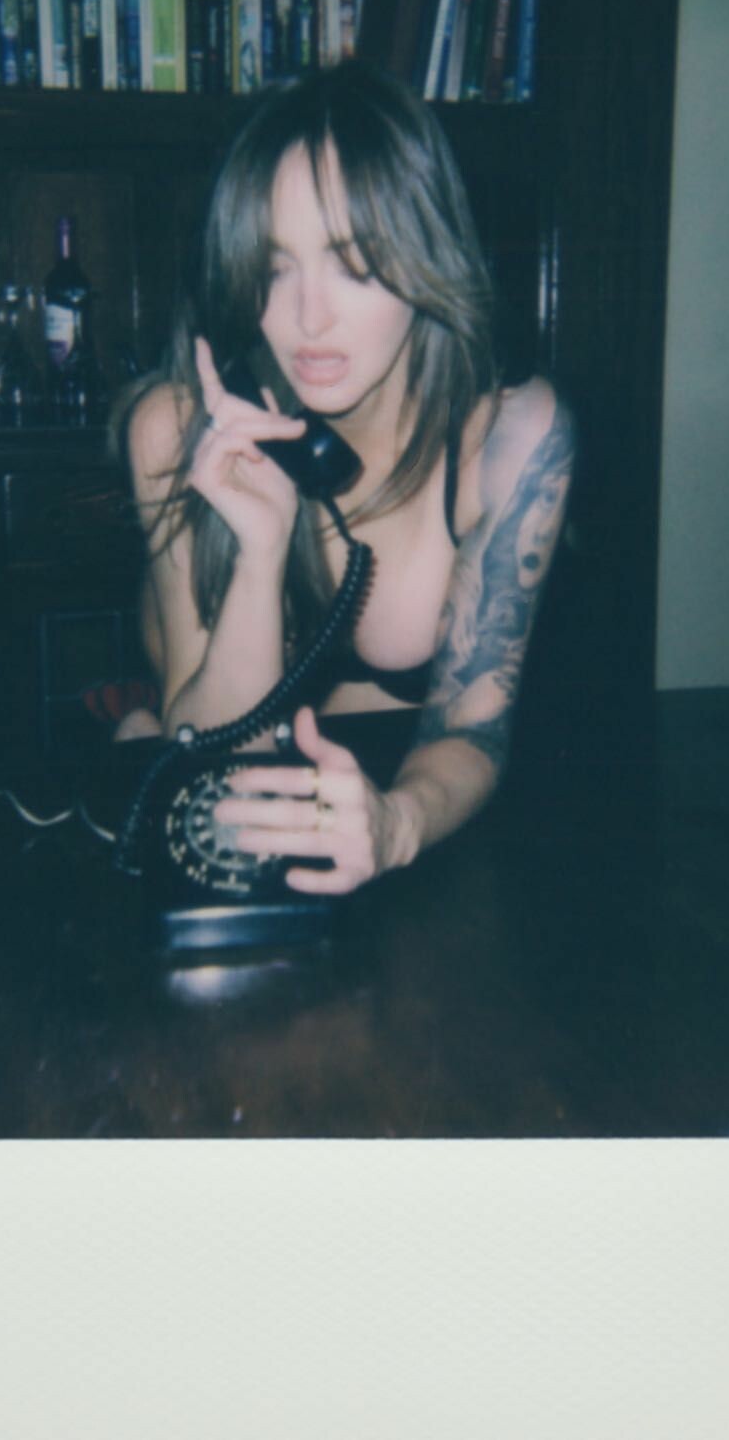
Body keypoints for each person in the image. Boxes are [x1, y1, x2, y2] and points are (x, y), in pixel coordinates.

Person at [114, 59, 573, 896]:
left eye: (356, 264)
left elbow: (476, 730)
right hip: (230, 797)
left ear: (426, 256)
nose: (308, 319)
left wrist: (398, 824)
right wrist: (260, 553)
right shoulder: (174, 432)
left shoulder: (510, 438)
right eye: (274, 267)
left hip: (409, 807)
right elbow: (211, 757)